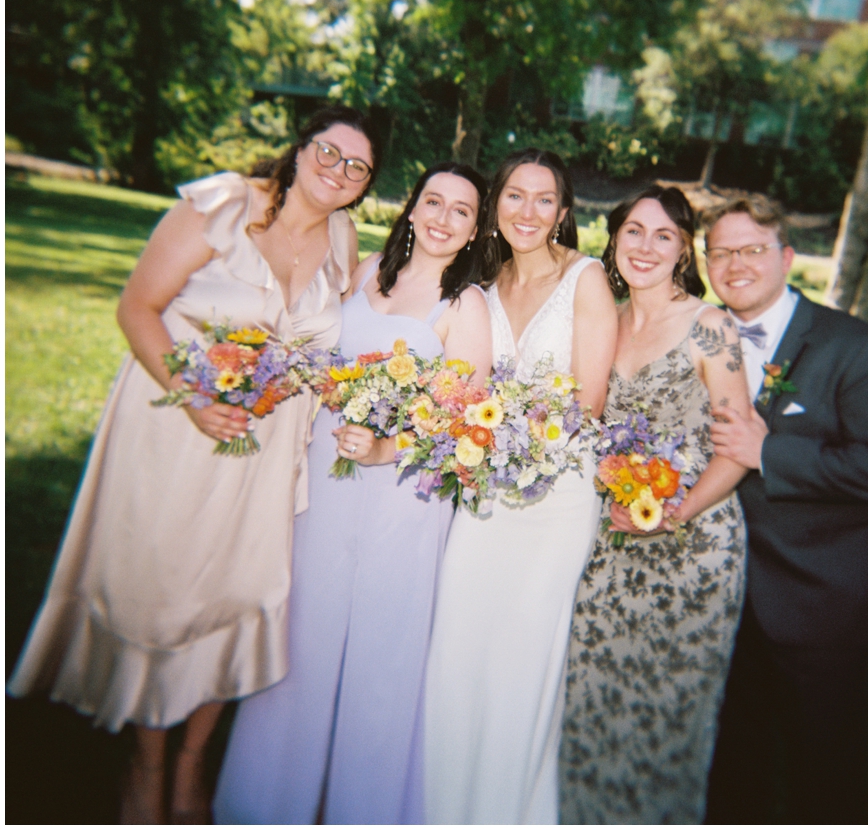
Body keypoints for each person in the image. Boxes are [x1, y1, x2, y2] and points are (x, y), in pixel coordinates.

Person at [6, 104, 378, 824]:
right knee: (163, 594)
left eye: (356, 167)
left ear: (364, 186)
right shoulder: (224, 204)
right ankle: (144, 763)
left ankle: (190, 765)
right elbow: (137, 308)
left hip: (266, 452)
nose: (338, 172)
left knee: (239, 595)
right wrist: (193, 397)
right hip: (179, 436)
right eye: (329, 153)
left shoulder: (342, 235)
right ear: (301, 150)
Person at [212, 162, 492, 825]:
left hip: (402, 499)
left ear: (476, 228)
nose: (442, 218)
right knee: (301, 643)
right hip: (327, 487)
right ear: (412, 207)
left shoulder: (467, 305)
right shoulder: (368, 272)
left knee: (380, 662)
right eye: (433, 201)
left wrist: (386, 448)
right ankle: (267, 804)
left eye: (461, 210)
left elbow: (465, 430)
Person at [701, 193, 868, 824]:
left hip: (821, 603)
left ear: (787, 257)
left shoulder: (855, 346)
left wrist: (772, 454)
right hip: (725, 599)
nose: (735, 264)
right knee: (733, 770)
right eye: (721, 252)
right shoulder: (702, 332)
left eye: (752, 250)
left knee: (820, 779)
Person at [423, 149, 618, 825]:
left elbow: (587, 404)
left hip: (556, 499)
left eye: (544, 200)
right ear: (495, 205)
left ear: (563, 213)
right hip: (484, 496)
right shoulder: (481, 283)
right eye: (514, 196)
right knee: (459, 647)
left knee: (523, 656)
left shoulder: (587, 280)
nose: (527, 212)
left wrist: (503, 429)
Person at [558, 185, 752, 824]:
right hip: (611, 548)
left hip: (692, 553)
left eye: (663, 235)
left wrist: (677, 510)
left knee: (666, 720)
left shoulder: (712, 326)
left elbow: (738, 449)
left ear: (683, 250)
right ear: (614, 239)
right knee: (589, 705)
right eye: (633, 231)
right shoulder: (603, 319)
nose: (645, 246)